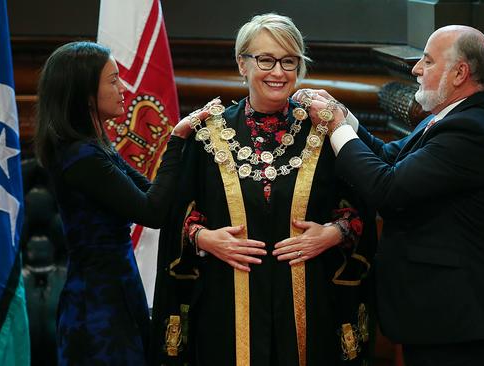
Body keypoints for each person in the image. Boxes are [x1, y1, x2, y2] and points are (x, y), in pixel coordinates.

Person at [151, 13, 377, 366]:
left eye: (289, 61)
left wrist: (334, 233)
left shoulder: (324, 130)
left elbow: (363, 201)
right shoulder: (207, 134)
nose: (279, 72)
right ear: (242, 64)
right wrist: (203, 237)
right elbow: (175, 212)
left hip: (310, 302)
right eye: (266, 59)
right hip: (227, 301)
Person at [295, 25, 484, 366]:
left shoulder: (470, 129)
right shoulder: (446, 118)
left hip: (461, 324)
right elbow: (388, 157)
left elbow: (387, 189)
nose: (416, 69)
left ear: (460, 73)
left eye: (427, 61)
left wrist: (337, 127)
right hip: (438, 319)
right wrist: (343, 116)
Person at [34, 41, 210, 365]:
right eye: (113, 80)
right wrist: (176, 139)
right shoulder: (81, 157)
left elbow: (152, 192)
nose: (123, 88)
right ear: (86, 92)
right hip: (97, 308)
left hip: (118, 290)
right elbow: (152, 212)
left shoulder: (96, 146)